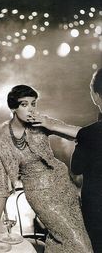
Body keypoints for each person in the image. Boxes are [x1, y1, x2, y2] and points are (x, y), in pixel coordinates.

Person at [0, 85, 93, 253]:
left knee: (71, 237)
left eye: (33, 104)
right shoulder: (2, 140)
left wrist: (50, 124)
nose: (31, 109)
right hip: (40, 195)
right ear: (13, 108)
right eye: (24, 104)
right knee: (77, 242)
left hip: (64, 185)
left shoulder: (41, 122)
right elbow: (1, 187)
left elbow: (81, 135)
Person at [71, 68, 102, 253]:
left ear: (95, 96)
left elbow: (76, 168)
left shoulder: (89, 134)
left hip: (97, 213)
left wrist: (79, 139)